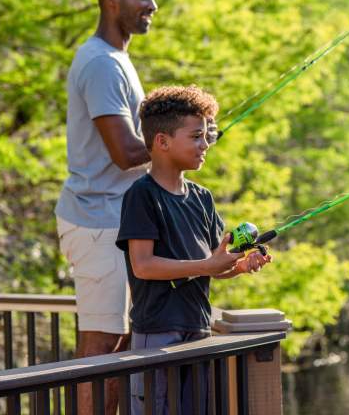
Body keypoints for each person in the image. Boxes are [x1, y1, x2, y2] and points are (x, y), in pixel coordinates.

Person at [115, 85, 271, 414]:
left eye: (206, 136)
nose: (205, 145)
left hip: (198, 330)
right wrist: (206, 265)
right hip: (156, 333)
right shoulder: (141, 196)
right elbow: (143, 265)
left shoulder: (202, 198)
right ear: (162, 141)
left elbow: (214, 263)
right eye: (196, 136)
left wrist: (240, 266)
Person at [55, 0, 164, 414]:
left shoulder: (117, 58)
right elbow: (124, 152)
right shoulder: (101, 63)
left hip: (112, 221)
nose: (153, 6)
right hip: (97, 221)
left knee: (118, 338)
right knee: (101, 343)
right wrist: (173, 143)